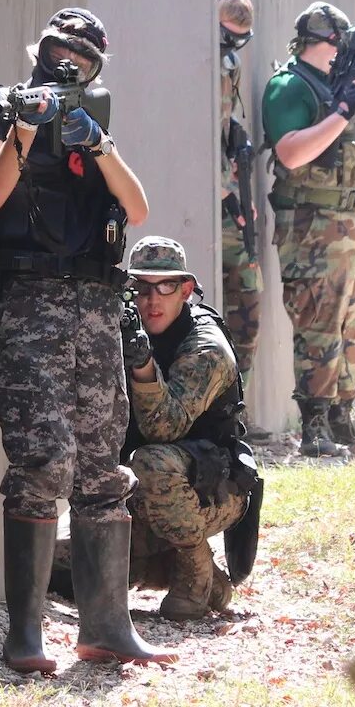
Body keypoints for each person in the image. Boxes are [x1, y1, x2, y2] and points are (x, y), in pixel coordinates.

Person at [0, 8, 174, 671]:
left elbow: (138, 211)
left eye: (84, 57)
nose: (69, 63)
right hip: (30, 301)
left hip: (95, 303)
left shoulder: (94, 128)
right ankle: (25, 636)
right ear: (40, 48)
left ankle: (106, 628)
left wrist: (99, 144)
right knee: (41, 459)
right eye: (60, 49)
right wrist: (25, 128)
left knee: (101, 465)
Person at [261, 3, 355, 456]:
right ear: (320, 43)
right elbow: (290, 154)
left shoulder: (336, 87)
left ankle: (343, 417)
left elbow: (342, 152)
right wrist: (343, 112)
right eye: (339, 42)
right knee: (320, 322)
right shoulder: (290, 86)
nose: (345, 51)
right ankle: (315, 427)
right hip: (312, 225)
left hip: (351, 219)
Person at [118, 236, 256, 620]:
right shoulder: (123, 332)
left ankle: (195, 571)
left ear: (186, 290)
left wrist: (144, 366)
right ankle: (198, 575)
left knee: (153, 462)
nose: (152, 300)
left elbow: (165, 428)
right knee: (62, 569)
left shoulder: (206, 348)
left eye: (165, 287)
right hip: (141, 491)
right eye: (142, 288)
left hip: (212, 487)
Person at [217, 0, 262, 381]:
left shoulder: (228, 62)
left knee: (248, 298)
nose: (229, 44)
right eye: (224, 34)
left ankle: (237, 403)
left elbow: (222, 124)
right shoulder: (199, 59)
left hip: (229, 194)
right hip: (209, 200)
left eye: (236, 39)